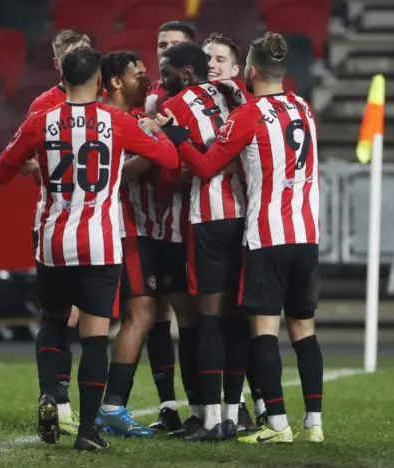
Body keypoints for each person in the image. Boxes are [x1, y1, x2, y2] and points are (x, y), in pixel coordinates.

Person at [0, 46, 182, 451]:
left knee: (54, 321)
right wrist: (156, 131)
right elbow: (166, 157)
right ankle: (87, 432)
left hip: (53, 241)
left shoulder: (40, 121)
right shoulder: (116, 122)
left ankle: (50, 395)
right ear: (99, 80)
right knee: (95, 337)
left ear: (64, 79)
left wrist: (34, 163)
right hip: (98, 241)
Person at [146, 32, 324, 445]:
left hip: (261, 231)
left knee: (252, 327)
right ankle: (312, 423)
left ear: (252, 70)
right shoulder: (304, 108)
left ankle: (271, 423)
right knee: (304, 330)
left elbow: (206, 165)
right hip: (307, 233)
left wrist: (174, 135)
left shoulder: (249, 112)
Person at [156, 41, 250, 442]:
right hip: (244, 215)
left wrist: (162, 131)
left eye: (168, 72)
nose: (163, 80)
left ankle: (211, 419)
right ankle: (236, 412)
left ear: (186, 73)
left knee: (208, 319)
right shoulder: (235, 94)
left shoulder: (174, 108)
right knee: (235, 320)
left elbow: (171, 171)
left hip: (209, 219)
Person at [18, 29, 92, 437]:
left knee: (72, 317)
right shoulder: (42, 105)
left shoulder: (98, 100)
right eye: (69, 56)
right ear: (56, 63)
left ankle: (59, 400)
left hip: (90, 223)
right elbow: (22, 158)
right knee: (65, 316)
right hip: (59, 221)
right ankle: (60, 400)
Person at [94, 51, 161, 438]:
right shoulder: (112, 119)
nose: (146, 80)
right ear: (115, 81)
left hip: (130, 227)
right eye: (138, 74)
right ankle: (110, 406)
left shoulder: (127, 118)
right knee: (137, 314)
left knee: (133, 315)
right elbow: (114, 177)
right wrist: (155, 149)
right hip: (122, 228)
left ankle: (90, 406)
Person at [202, 32, 265, 431]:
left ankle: (241, 404)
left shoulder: (248, 108)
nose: (213, 64)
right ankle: (203, 411)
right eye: (208, 58)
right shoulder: (188, 103)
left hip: (241, 218)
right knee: (204, 319)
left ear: (237, 69)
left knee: (237, 317)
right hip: (200, 220)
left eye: (221, 59)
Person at [144, 20, 197, 434]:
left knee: (202, 316)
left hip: (198, 224)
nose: (164, 52)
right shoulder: (149, 99)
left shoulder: (213, 100)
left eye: (173, 46)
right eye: (161, 45)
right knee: (157, 314)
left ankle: (214, 406)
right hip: (157, 225)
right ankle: (168, 406)